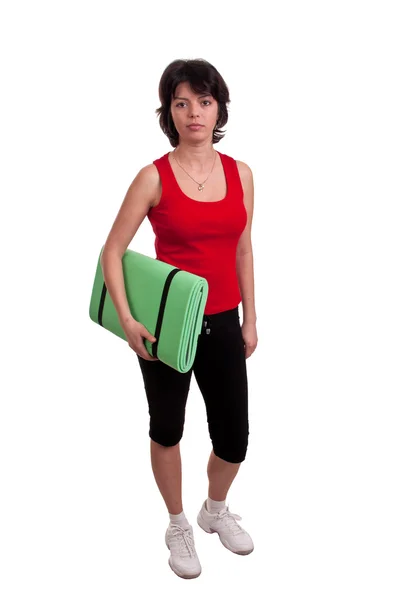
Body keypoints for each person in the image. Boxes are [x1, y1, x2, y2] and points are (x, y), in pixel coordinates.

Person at [100, 58, 258, 579]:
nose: (194, 112)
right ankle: (177, 524)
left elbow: (243, 250)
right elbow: (113, 251)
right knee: (167, 428)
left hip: (223, 320)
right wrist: (127, 320)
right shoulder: (153, 176)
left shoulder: (241, 173)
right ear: (169, 111)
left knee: (233, 437)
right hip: (167, 325)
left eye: (205, 101)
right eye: (182, 102)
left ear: (219, 109)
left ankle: (214, 510)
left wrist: (250, 318)